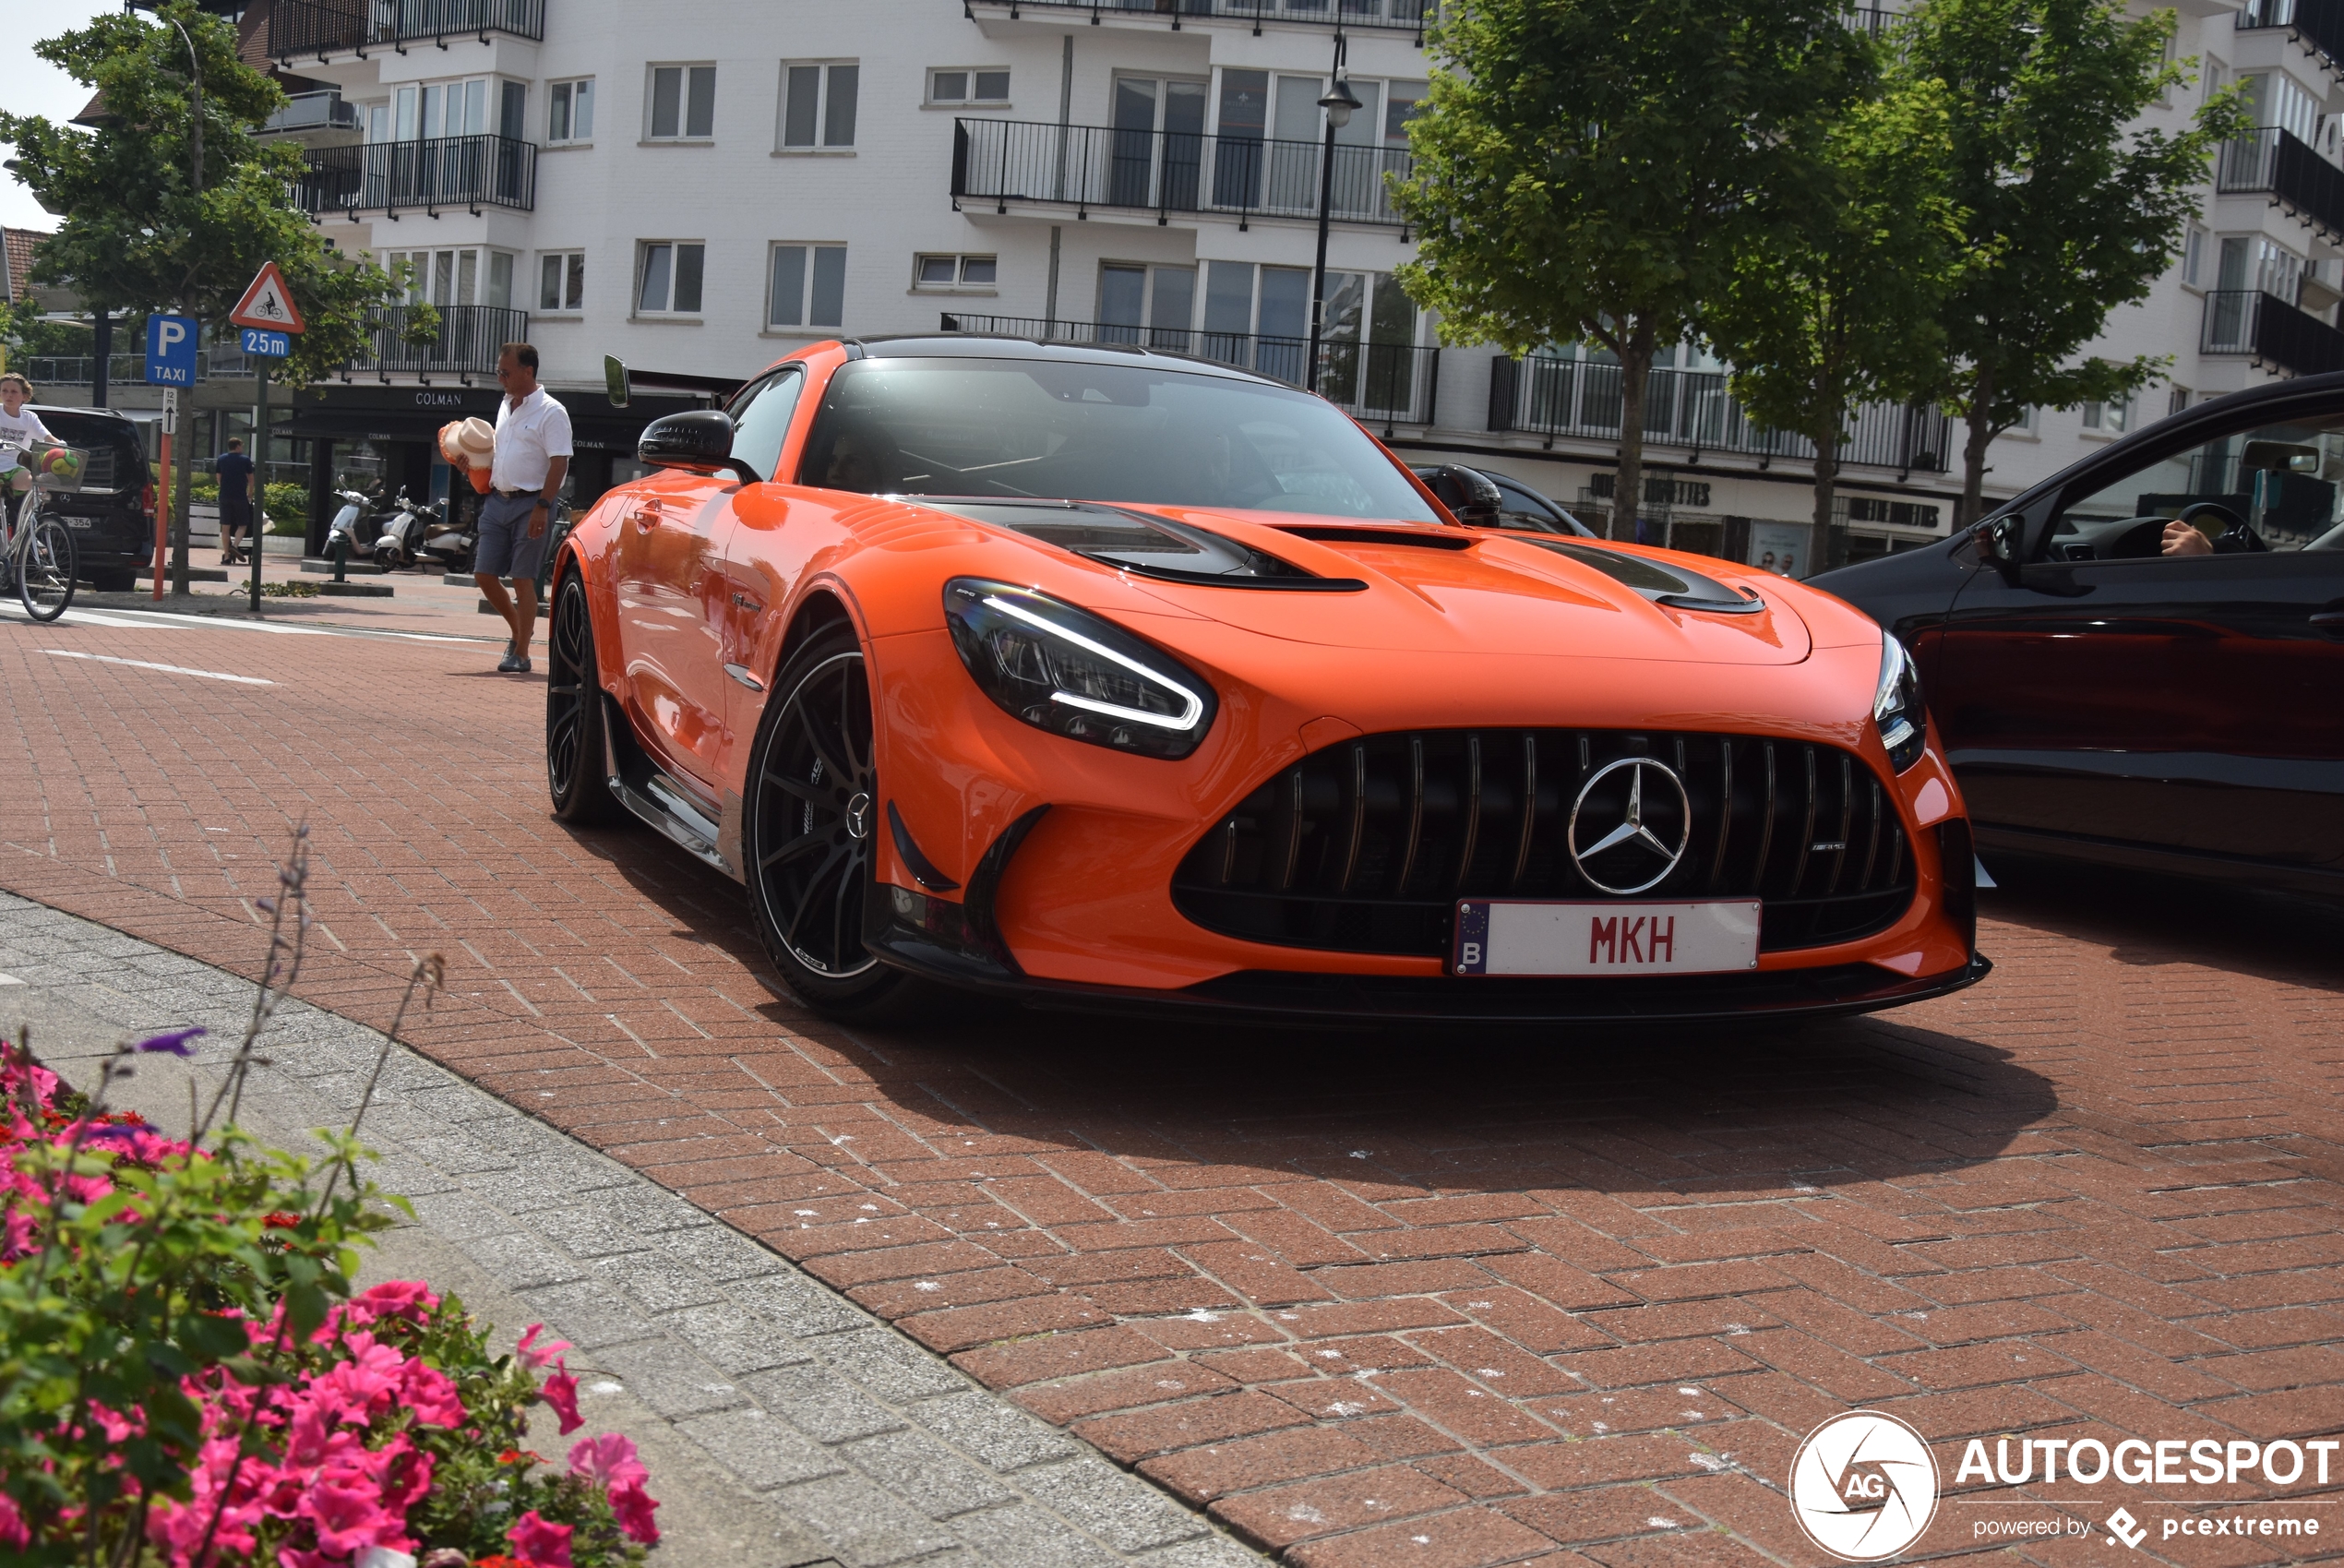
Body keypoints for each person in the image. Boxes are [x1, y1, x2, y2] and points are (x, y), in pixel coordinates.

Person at [465, 341, 571, 675]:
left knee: (523, 579)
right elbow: (501, 453)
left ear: (529, 371)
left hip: (532, 504)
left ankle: (522, 653)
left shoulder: (552, 411)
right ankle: (518, 631)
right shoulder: (505, 405)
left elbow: (559, 463)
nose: (500, 378)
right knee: (484, 574)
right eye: (499, 371)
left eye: (506, 372)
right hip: (497, 500)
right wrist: (472, 464)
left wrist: (543, 506)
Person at [0, 372, 54, 544]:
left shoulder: (30, 418)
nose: (9, 395)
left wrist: (63, 448)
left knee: (40, 484)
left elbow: (49, 439)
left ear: (25, 395)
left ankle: (27, 530)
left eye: (14, 392)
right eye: (4, 391)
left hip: (12, 467)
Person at [214, 437, 256, 566]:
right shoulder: (245, 460)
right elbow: (250, 478)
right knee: (243, 524)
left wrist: (223, 487)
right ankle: (235, 546)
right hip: (240, 496)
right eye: (241, 445)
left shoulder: (221, 459)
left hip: (225, 496)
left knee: (225, 527)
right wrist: (250, 493)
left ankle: (226, 556)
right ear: (237, 446)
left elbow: (218, 477)